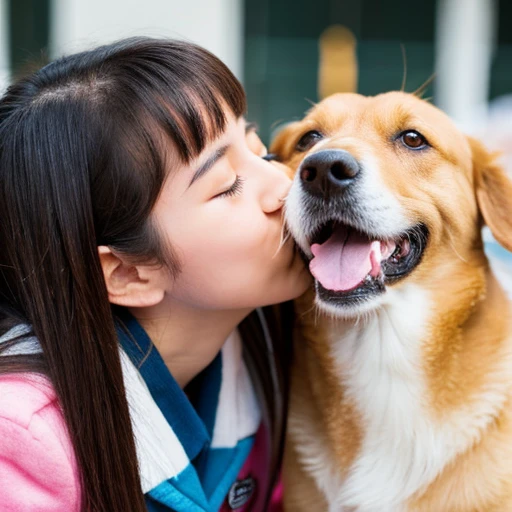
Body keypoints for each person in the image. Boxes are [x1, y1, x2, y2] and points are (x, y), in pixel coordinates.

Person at [0, 37, 310, 512]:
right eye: (228, 186)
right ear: (126, 272)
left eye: (259, 150)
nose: (285, 183)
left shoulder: (265, 352)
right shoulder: (21, 440)